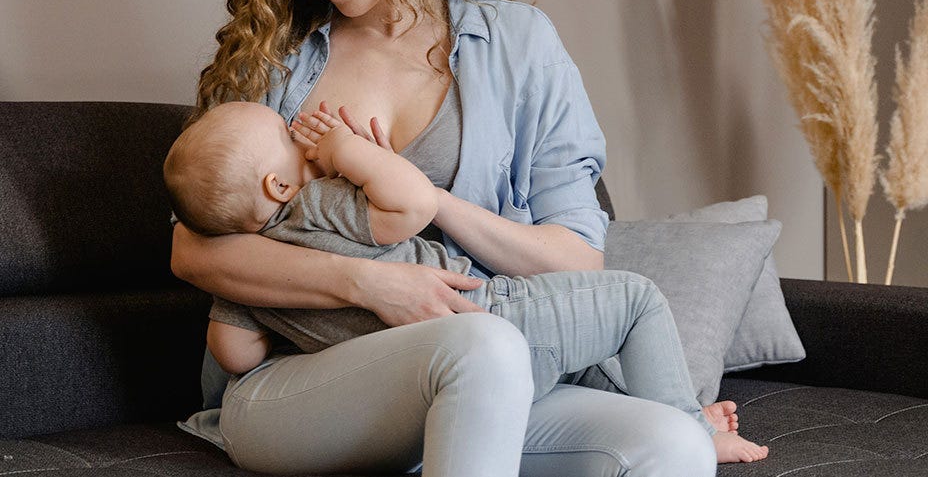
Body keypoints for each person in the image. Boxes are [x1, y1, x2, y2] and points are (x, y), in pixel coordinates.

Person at [170, 0, 767, 475]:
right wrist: (373, 285)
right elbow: (193, 252)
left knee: (674, 444)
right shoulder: (274, 59)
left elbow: (578, 259)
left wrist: (436, 204)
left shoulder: (519, 45)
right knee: (481, 346)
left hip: (488, 368)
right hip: (301, 382)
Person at [163, 98, 769, 464]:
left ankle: (666, 421)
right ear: (278, 186)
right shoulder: (318, 202)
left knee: (587, 351)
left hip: (388, 376)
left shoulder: (247, 270)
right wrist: (349, 151)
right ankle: (690, 421)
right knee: (635, 300)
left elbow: (234, 351)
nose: (302, 135)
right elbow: (410, 204)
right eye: (287, 134)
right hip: (488, 309)